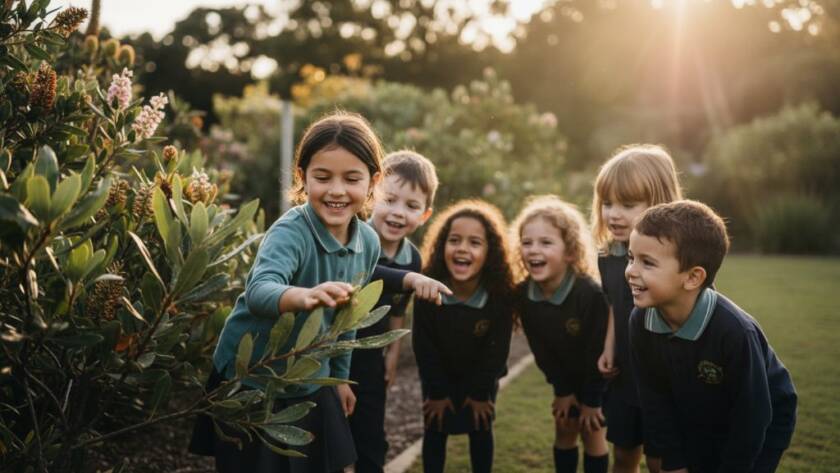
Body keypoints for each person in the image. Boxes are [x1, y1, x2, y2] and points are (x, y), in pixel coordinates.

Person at [189, 111, 442, 473]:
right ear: (302, 177)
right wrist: (301, 296)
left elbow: (347, 319)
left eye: (351, 178)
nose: (336, 190)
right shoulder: (290, 231)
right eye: (323, 177)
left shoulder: (367, 241)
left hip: (310, 372)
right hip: (252, 374)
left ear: (374, 182)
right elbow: (259, 291)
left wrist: (338, 379)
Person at [626, 200, 797, 473]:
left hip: (762, 425)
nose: (631, 271)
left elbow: (752, 419)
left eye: (647, 263)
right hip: (699, 412)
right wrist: (673, 461)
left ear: (693, 278)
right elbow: (654, 397)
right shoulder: (640, 321)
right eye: (631, 257)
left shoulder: (735, 333)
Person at [590, 144, 683, 473]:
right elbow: (617, 303)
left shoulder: (676, 263)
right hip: (626, 374)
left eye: (627, 205)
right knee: (624, 455)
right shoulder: (610, 256)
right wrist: (608, 346)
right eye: (608, 203)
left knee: (660, 462)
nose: (613, 214)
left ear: (658, 203)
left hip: (664, 377)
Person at [349, 150, 439, 473]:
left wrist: (392, 355)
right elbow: (364, 273)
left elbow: (399, 308)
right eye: (390, 200)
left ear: (425, 215)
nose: (398, 213)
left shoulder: (411, 258)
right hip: (334, 350)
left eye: (412, 206)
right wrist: (409, 280)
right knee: (331, 437)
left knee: (371, 436)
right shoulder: (353, 237)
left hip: (372, 356)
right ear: (372, 195)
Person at [412, 200, 516, 473]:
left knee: (481, 428)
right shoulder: (428, 289)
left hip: (481, 379)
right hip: (438, 378)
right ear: (441, 246)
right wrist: (437, 391)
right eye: (454, 240)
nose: (462, 248)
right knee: (435, 429)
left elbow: (497, 351)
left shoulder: (500, 296)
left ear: (489, 252)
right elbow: (424, 347)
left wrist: (481, 392)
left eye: (475, 243)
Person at [511, 196, 610, 473]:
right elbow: (542, 350)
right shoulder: (524, 295)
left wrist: (592, 401)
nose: (533, 250)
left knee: (593, 433)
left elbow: (599, 350)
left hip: (598, 380)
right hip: (564, 378)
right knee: (565, 429)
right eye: (527, 242)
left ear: (569, 252)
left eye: (546, 242)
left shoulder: (589, 294)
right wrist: (562, 390)